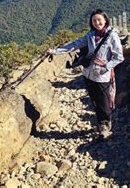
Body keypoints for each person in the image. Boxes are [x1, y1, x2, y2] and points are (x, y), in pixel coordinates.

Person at [47, 9, 124, 139]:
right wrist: (56, 51)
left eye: (99, 19)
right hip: (88, 73)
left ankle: (105, 125)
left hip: (101, 75)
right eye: (94, 20)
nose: (97, 22)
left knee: (103, 101)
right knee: (94, 99)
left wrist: (106, 67)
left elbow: (119, 57)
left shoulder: (112, 36)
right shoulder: (90, 35)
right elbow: (75, 44)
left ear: (105, 20)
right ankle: (100, 123)